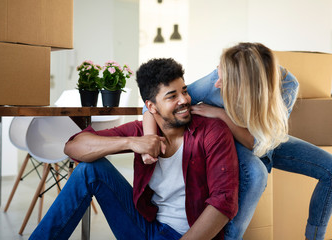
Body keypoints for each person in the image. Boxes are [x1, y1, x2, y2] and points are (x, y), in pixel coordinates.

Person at [29, 58, 239, 240]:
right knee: (88, 171)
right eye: (172, 96)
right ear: (151, 107)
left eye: (184, 91)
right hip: (145, 227)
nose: (184, 100)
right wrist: (130, 142)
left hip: (185, 235)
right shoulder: (142, 131)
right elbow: (73, 146)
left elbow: (223, 203)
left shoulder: (212, 132)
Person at [142, 42, 332, 240]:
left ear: (248, 85)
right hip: (228, 138)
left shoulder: (287, 86)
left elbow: (260, 144)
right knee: (256, 174)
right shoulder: (214, 79)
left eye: (224, 81)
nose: (217, 83)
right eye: (218, 73)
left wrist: (222, 114)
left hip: (261, 137)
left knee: (330, 168)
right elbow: (151, 106)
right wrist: (149, 141)